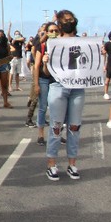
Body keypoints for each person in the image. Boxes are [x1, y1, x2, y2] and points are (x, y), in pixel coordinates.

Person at [44, 10, 84, 181]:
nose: (70, 22)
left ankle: (72, 164)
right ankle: (52, 164)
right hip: (58, 86)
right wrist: (46, 62)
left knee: (74, 126)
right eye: (66, 20)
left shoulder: (84, 43)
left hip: (77, 88)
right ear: (60, 23)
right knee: (56, 127)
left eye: (71, 19)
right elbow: (46, 72)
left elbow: (89, 64)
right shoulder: (53, 43)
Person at [32, 22, 57, 147]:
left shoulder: (61, 45)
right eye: (51, 31)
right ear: (46, 32)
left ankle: (56, 133)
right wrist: (36, 84)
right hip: (43, 79)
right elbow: (37, 66)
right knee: (42, 107)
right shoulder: (41, 46)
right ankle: (41, 134)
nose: (54, 33)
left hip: (57, 80)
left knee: (57, 108)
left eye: (55, 30)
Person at [101, 31, 111, 100]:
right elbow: (104, 54)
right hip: (109, 63)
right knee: (107, 80)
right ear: (110, 36)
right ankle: (105, 93)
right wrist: (104, 66)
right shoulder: (107, 44)